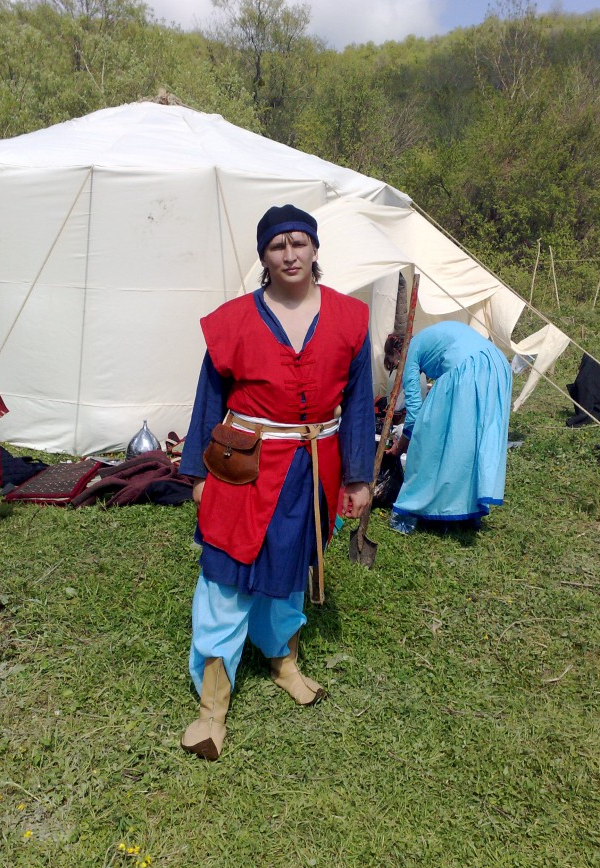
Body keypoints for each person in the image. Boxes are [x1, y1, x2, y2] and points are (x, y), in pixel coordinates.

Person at [178, 204, 375, 760]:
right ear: (264, 257)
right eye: (276, 246)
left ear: (314, 248)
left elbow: (358, 404)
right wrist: (197, 473)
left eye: (299, 242)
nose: (290, 254)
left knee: (292, 568)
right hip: (244, 468)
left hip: (314, 466)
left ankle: (283, 660)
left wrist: (358, 478)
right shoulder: (234, 320)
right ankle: (212, 706)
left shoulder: (350, 318)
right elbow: (209, 398)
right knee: (226, 576)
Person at [386, 320, 512, 532]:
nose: (400, 369)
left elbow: (414, 413)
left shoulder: (410, 351)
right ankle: (468, 511)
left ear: (397, 353)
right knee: (472, 443)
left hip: (467, 367)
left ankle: (409, 512)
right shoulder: (427, 337)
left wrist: (400, 448)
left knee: (433, 441)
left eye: (395, 365)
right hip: (497, 365)